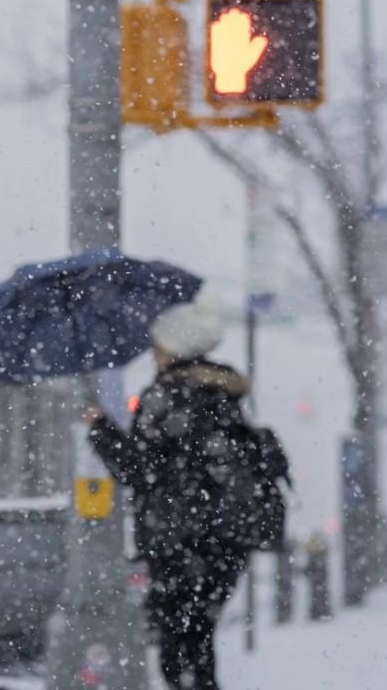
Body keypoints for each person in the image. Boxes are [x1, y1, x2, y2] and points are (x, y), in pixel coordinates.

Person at [85, 294, 253, 690]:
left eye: (158, 346)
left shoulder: (165, 397)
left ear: (174, 348)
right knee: (200, 638)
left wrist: (101, 429)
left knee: (177, 649)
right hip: (222, 543)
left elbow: (140, 470)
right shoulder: (223, 396)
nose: (154, 353)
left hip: (177, 542)